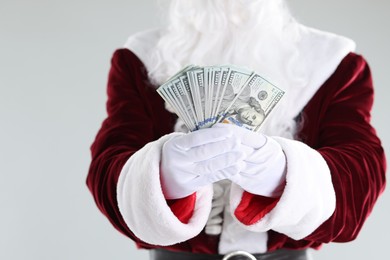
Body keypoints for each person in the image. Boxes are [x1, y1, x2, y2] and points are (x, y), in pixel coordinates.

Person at [86, 0, 386, 259]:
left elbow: (363, 175)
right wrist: (160, 176)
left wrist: (285, 173)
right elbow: (108, 164)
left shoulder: (334, 61)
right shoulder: (138, 58)